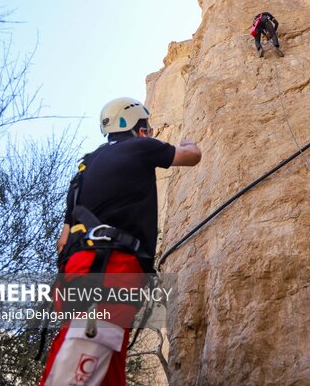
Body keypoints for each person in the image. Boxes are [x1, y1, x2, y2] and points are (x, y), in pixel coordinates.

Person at [39, 97, 201, 386]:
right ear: (139, 129)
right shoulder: (141, 146)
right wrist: (189, 140)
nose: (149, 133)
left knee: (98, 370)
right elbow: (192, 155)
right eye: (147, 128)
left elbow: (62, 241)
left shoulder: (84, 169)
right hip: (110, 272)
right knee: (79, 368)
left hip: (76, 276)